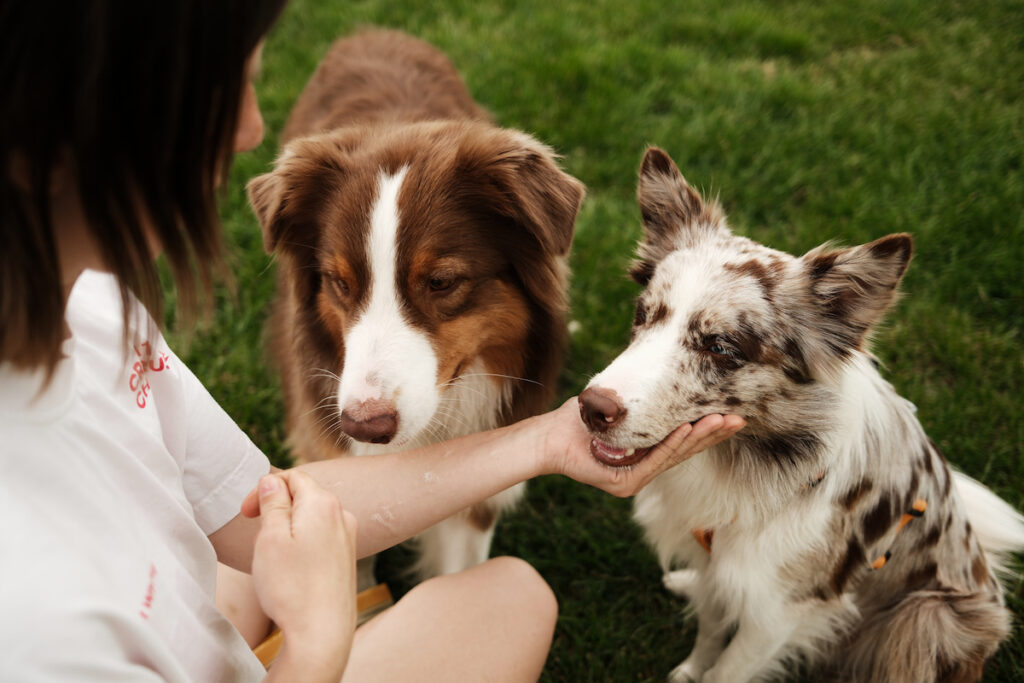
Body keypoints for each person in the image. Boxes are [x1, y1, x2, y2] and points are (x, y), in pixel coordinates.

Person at [0, 2, 746, 681]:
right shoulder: (34, 625)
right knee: (514, 596)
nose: (252, 130)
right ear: (51, 128)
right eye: (215, 93)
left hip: (177, 615)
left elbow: (261, 514)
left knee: (511, 592)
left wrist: (546, 442)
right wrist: (320, 643)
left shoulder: (92, 305)